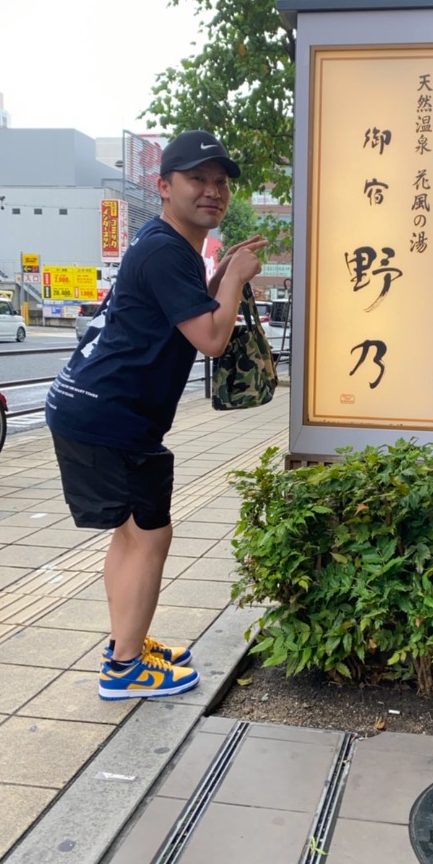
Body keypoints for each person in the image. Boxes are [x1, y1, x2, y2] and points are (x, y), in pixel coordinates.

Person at [45, 130, 265, 700]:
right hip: (112, 415)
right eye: (198, 179)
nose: (212, 191)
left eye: (220, 182)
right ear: (164, 186)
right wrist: (237, 279)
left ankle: (127, 642)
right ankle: (124, 669)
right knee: (150, 537)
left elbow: (188, 312)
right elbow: (213, 338)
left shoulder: (164, 243)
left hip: (88, 407)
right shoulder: (169, 251)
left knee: (131, 535)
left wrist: (220, 276)